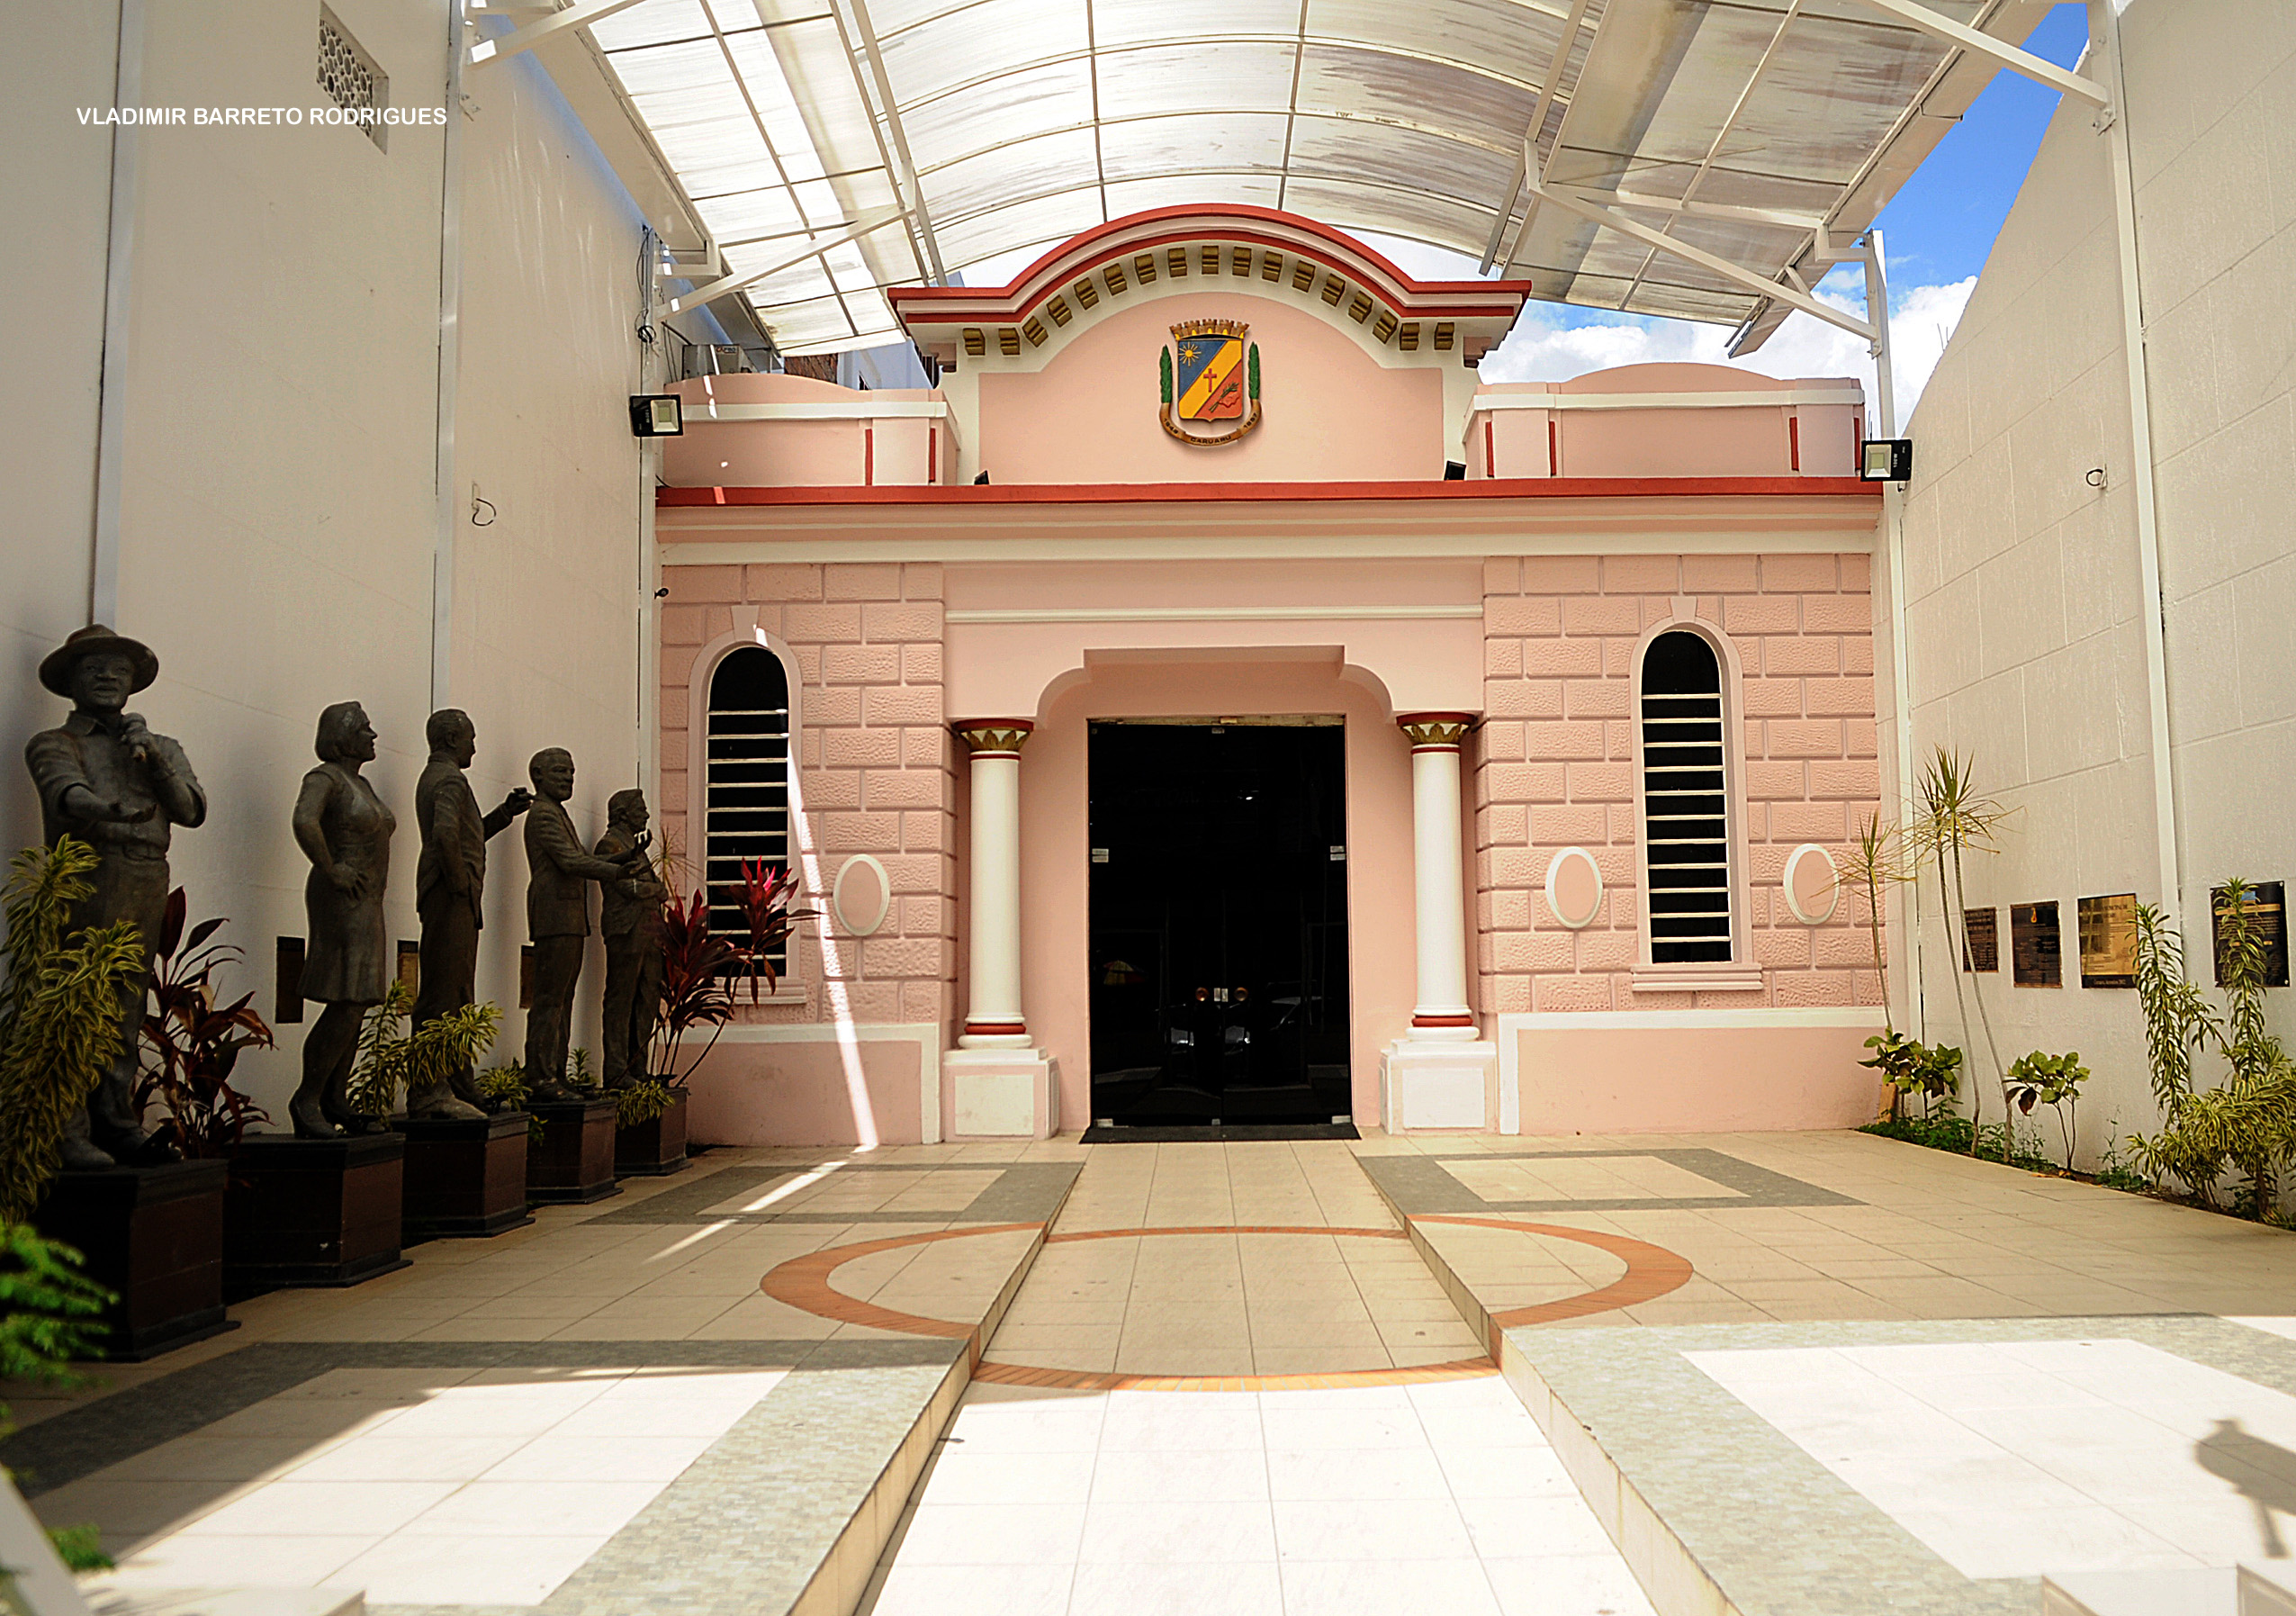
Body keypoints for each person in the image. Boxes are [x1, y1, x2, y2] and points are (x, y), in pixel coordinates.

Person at [25, 625, 207, 1169]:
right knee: (79, 998)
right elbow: (66, 793)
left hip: (146, 878)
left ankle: (115, 1120)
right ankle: (67, 1128)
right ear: (71, 683)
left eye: (118, 669)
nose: (107, 676)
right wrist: (110, 812)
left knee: (126, 1004)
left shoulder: (160, 747)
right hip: (88, 873)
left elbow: (192, 810)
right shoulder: (58, 743)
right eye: (92, 668)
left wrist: (152, 758)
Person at [408, 709, 530, 1120]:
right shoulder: (447, 779)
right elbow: (445, 836)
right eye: (470, 738)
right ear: (449, 739)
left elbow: (465, 830)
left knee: (458, 991)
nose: (474, 746)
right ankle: (430, 1091)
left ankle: (459, 1083)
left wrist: (504, 814)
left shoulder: (444, 778)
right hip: (451, 895)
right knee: (443, 993)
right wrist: (460, 885)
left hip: (457, 895)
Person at [288, 702, 395, 1138]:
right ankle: (307, 1098)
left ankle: (336, 1097)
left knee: (359, 1000)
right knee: (346, 998)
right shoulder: (325, 777)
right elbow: (303, 820)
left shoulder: (361, 782)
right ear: (341, 736)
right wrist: (331, 867)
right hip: (341, 898)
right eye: (364, 729)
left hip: (367, 900)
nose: (373, 735)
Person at [522, 749, 646, 1102]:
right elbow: (569, 861)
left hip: (569, 917)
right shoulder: (543, 815)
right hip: (554, 916)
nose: (568, 778)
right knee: (549, 1001)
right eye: (559, 771)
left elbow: (582, 859)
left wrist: (624, 857)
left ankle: (556, 1073)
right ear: (538, 776)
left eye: (571, 771)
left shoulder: (557, 813)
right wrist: (616, 869)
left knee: (564, 999)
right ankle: (541, 1078)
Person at [595, 789, 666, 1089]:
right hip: (626, 931)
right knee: (621, 999)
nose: (647, 815)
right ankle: (616, 1070)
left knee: (646, 999)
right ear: (623, 814)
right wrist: (656, 890)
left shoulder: (634, 846)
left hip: (648, 932)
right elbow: (626, 886)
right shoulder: (610, 844)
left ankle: (638, 1067)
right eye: (641, 809)